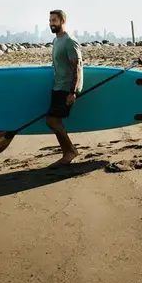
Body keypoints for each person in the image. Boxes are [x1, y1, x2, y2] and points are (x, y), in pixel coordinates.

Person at [46, 9, 84, 167]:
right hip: (58, 86)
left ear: (62, 21)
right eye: (50, 21)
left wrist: (72, 92)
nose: (51, 23)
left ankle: (70, 152)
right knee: (53, 120)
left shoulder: (69, 40)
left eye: (54, 20)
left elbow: (77, 66)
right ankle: (68, 151)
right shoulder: (56, 40)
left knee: (52, 120)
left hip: (66, 87)